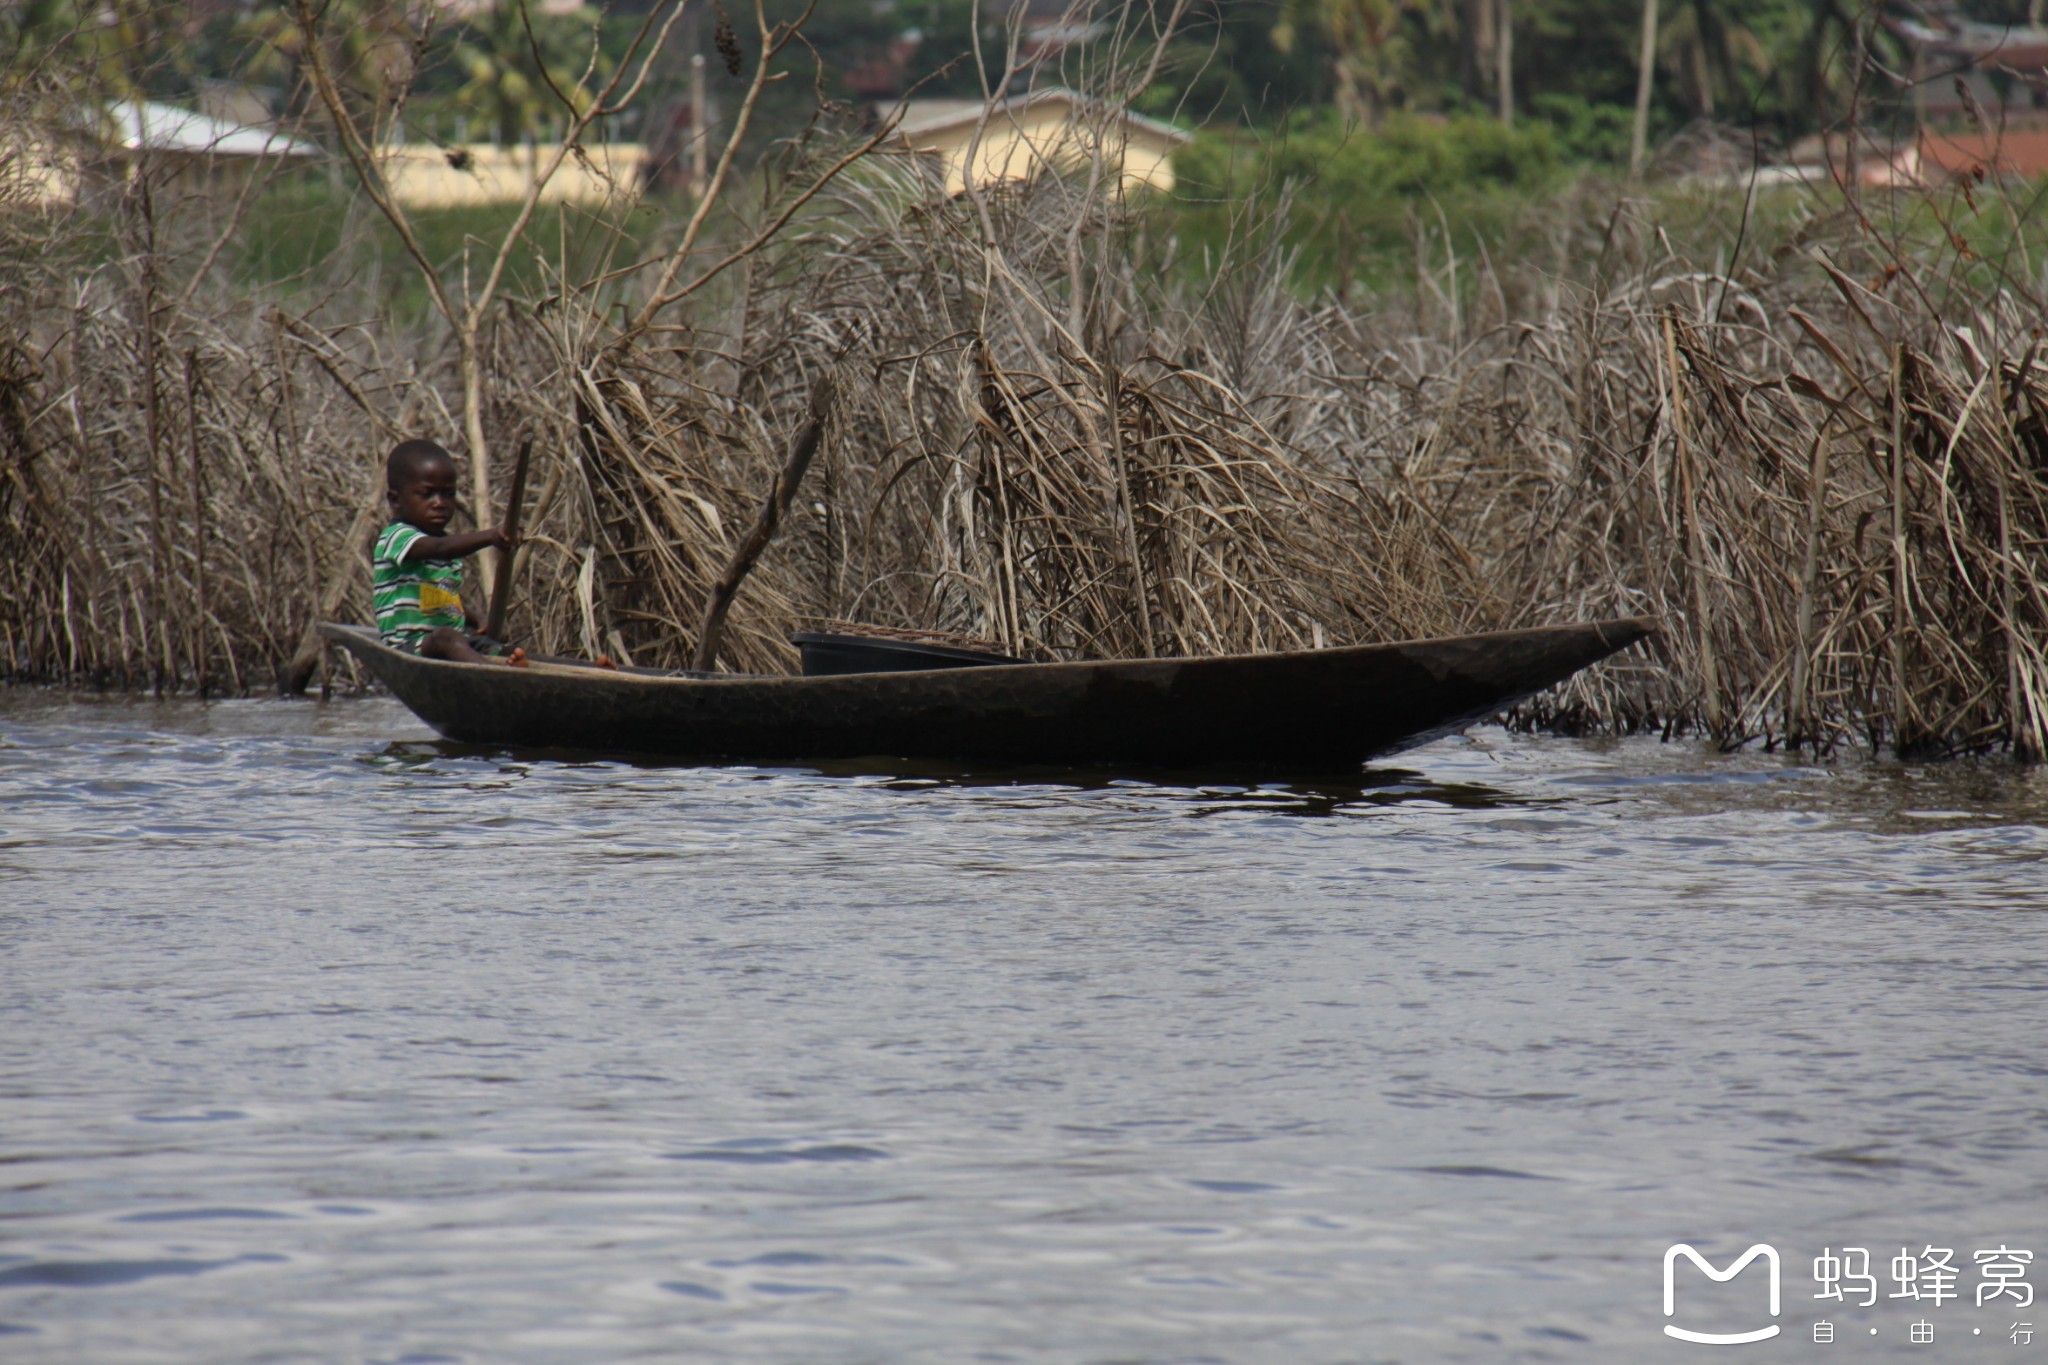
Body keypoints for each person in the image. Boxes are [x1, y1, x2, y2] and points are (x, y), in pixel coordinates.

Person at [372, 439, 526, 665]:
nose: (439, 503)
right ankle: (494, 677)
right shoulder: (396, 537)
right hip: (410, 646)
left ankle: (582, 670)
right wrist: (491, 536)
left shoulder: (444, 544)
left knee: (500, 648)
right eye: (427, 494)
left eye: (448, 494)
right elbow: (439, 549)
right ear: (395, 500)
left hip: (452, 644)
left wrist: (478, 620)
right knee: (447, 637)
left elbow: (444, 597)